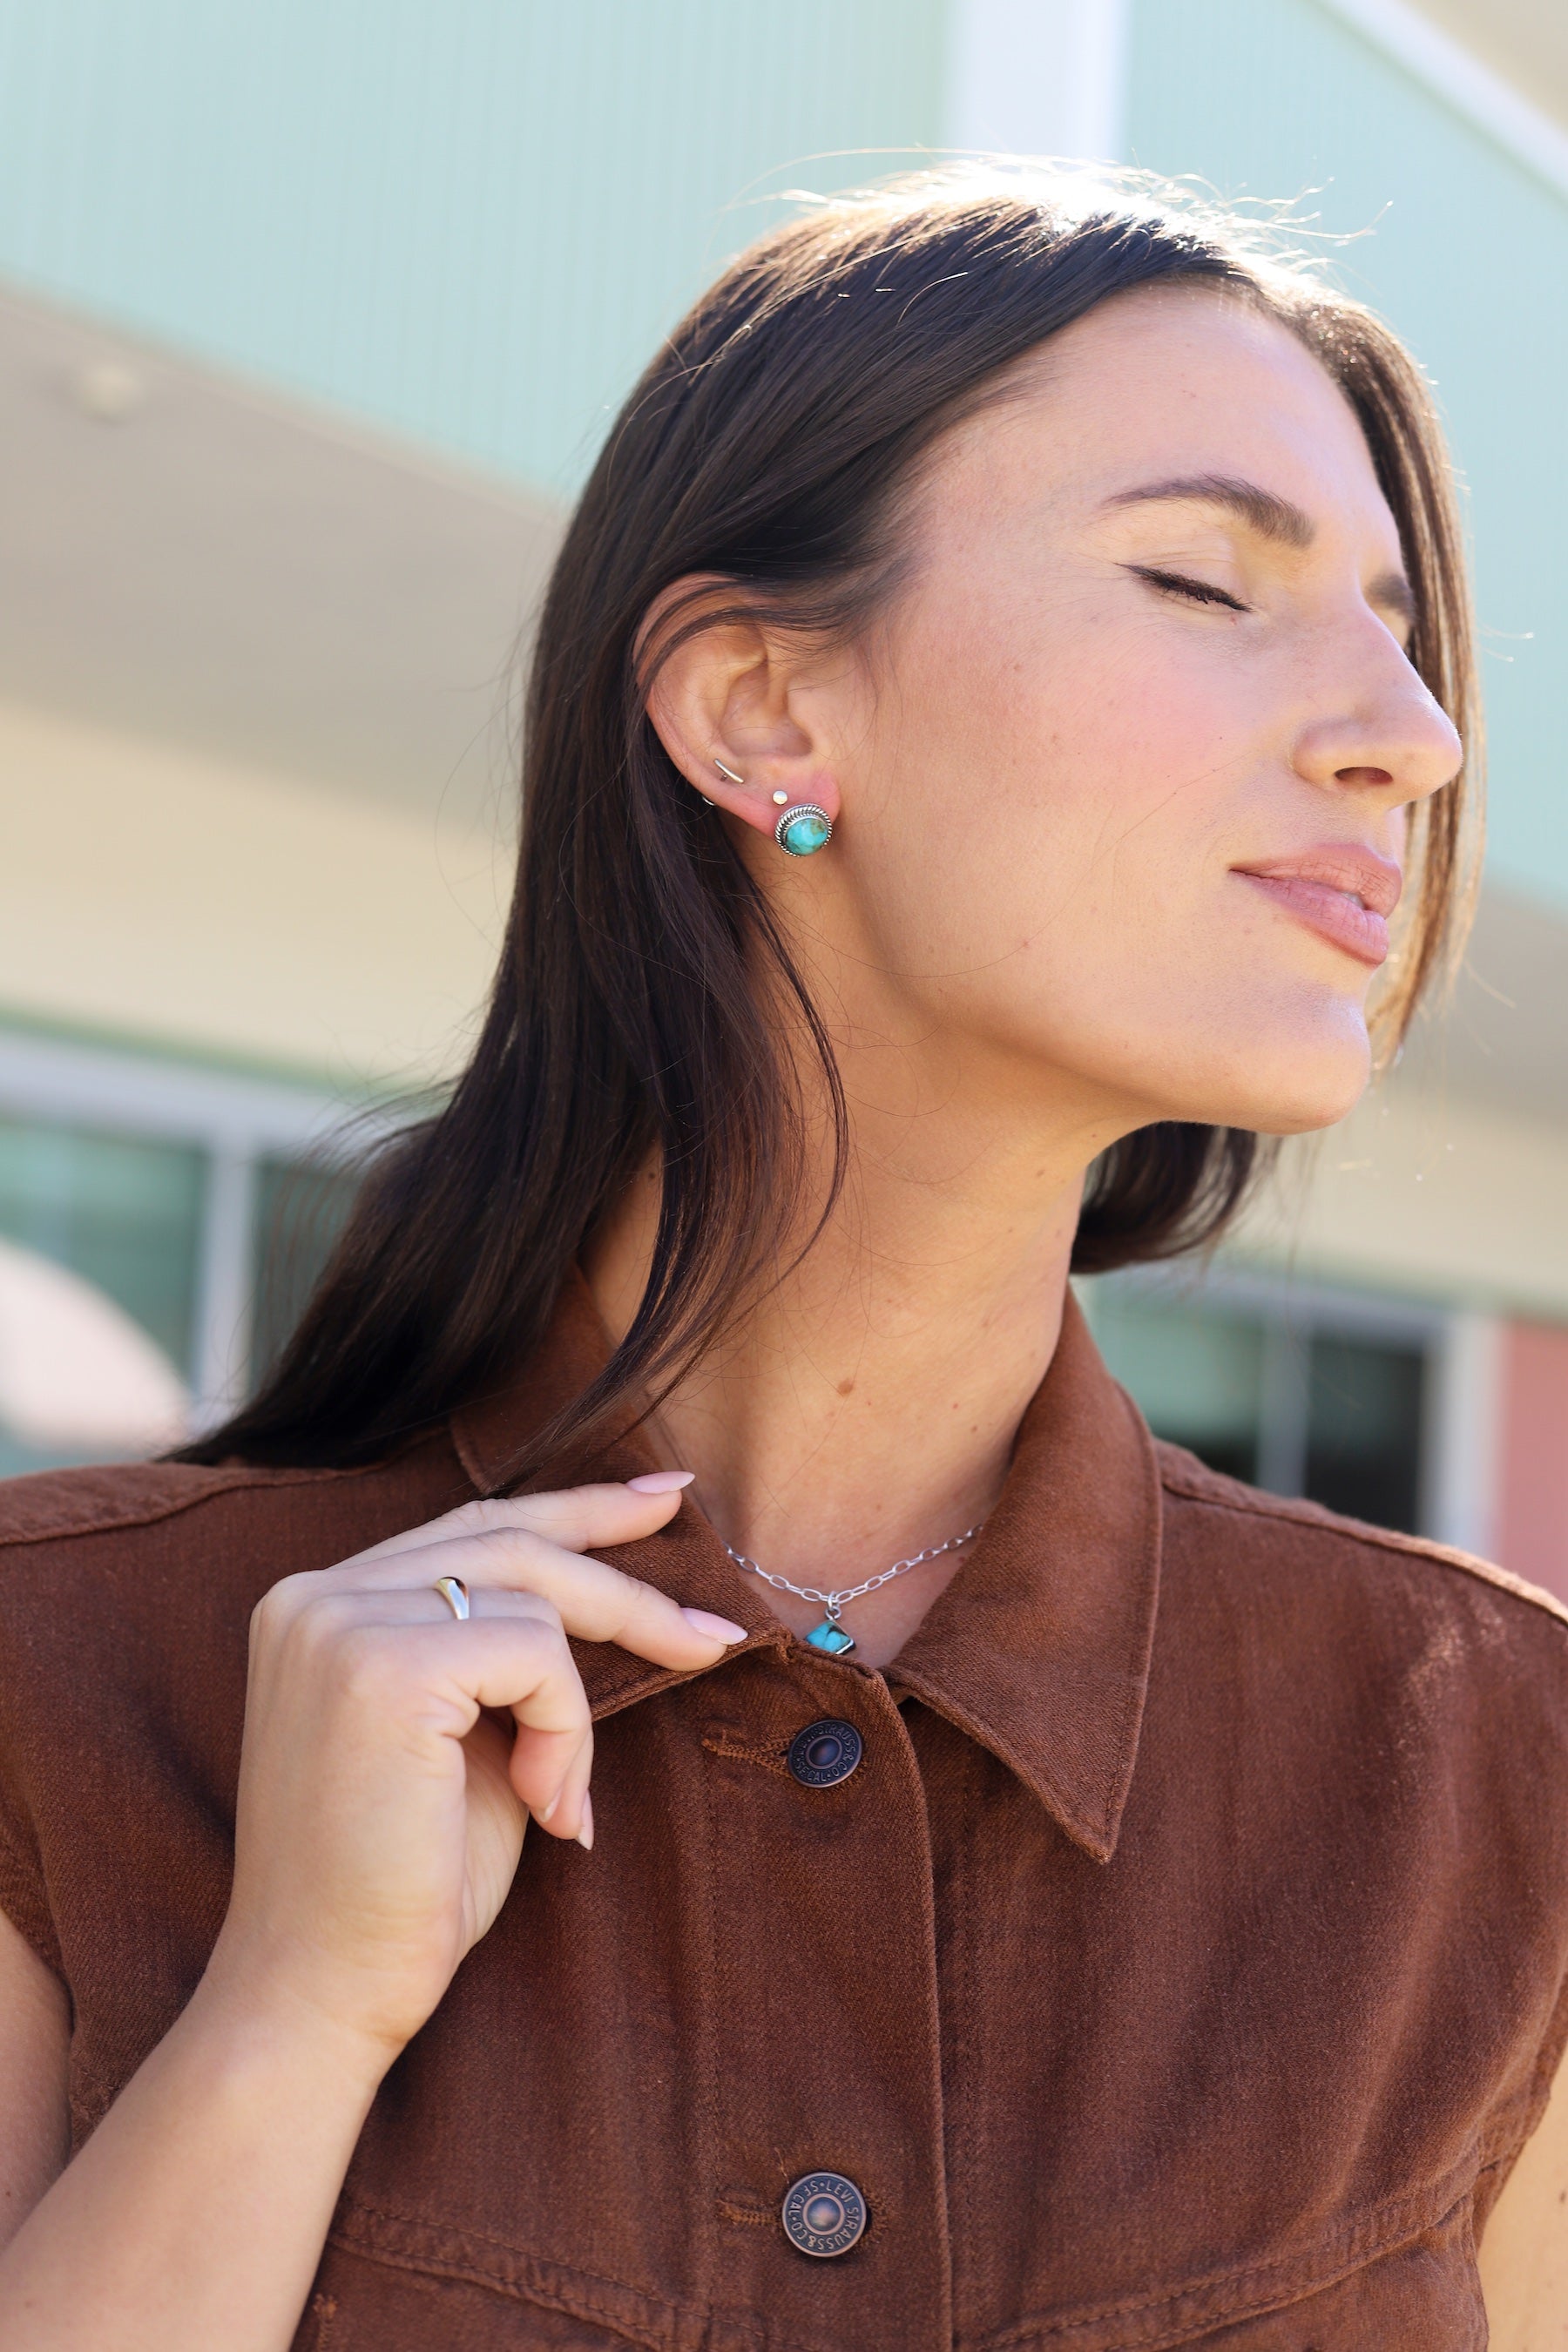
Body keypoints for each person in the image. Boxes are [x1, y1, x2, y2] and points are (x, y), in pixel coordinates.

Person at [0, 166, 1564, 2352]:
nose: (1415, 733)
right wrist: (283, 2024)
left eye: (1404, 630)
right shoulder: (57, 1688)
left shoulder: (1500, 1772)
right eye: (1210, 578)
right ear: (759, 711)